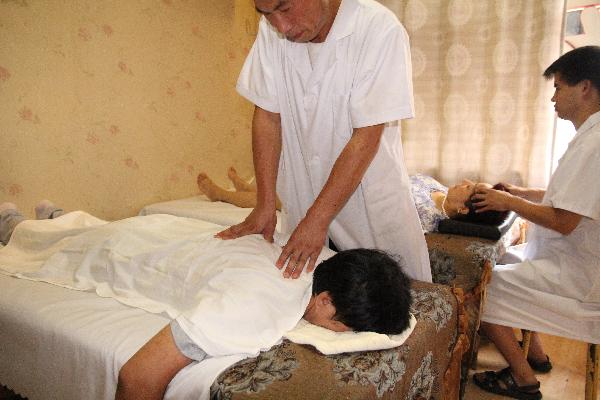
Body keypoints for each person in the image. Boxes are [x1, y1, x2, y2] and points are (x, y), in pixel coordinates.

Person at [0, 202, 413, 400]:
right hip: (127, 251)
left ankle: (55, 216)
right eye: (343, 327)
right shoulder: (254, 304)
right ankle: (17, 222)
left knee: (84, 229)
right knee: (48, 249)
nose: (341, 333)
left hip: (164, 233)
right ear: (323, 302)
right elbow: (137, 376)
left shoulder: (320, 257)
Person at [218, 0, 431, 282]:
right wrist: (265, 204)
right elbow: (268, 116)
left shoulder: (379, 29)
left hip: (368, 208)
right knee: (310, 294)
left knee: (390, 296)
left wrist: (317, 220)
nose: (281, 27)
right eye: (267, 14)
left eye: (285, 9)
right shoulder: (272, 32)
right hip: (303, 197)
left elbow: (365, 136)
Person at [471, 46, 600, 400]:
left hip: (579, 276)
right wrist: (520, 192)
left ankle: (523, 379)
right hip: (568, 259)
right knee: (498, 261)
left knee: (481, 288)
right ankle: (537, 355)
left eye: (558, 87)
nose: (553, 98)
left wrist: (508, 202)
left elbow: (565, 220)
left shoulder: (594, 144)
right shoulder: (589, 137)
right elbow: (568, 196)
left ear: (584, 87)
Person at [197, 169, 507, 233]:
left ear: (462, 208)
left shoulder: (425, 218)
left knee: (282, 199)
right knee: (290, 184)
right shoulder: (435, 187)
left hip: (349, 206)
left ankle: (222, 194)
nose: (466, 181)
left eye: (470, 188)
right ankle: (244, 187)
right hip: (358, 185)